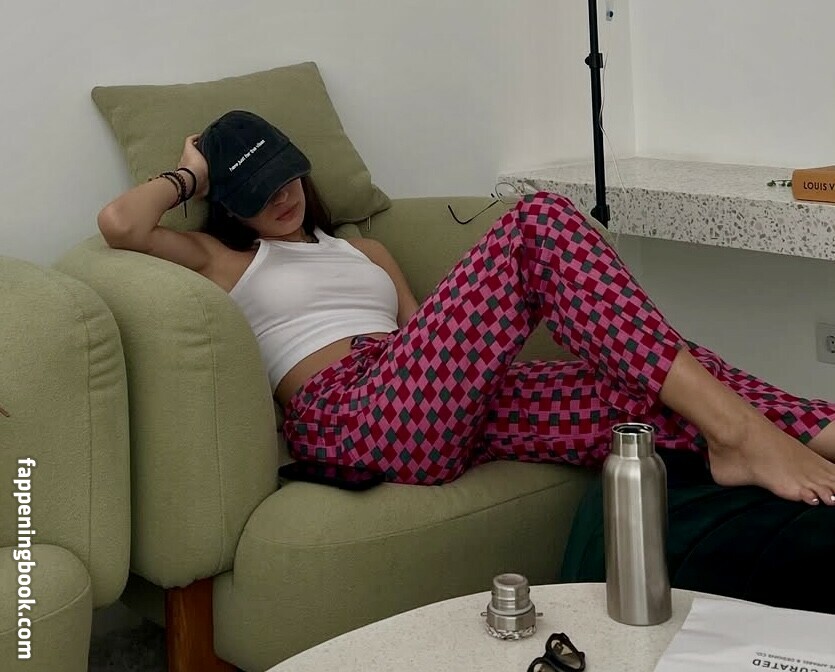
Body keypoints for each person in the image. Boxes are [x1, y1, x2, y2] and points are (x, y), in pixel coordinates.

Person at [98, 109, 835, 506]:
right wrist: (191, 172)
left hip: (429, 407)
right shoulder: (225, 261)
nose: (281, 197)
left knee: (643, 381)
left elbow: (431, 345)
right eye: (258, 192)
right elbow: (121, 225)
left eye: (284, 176)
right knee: (539, 220)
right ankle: (741, 436)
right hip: (351, 414)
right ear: (231, 205)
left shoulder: (365, 252)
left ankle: (813, 432)